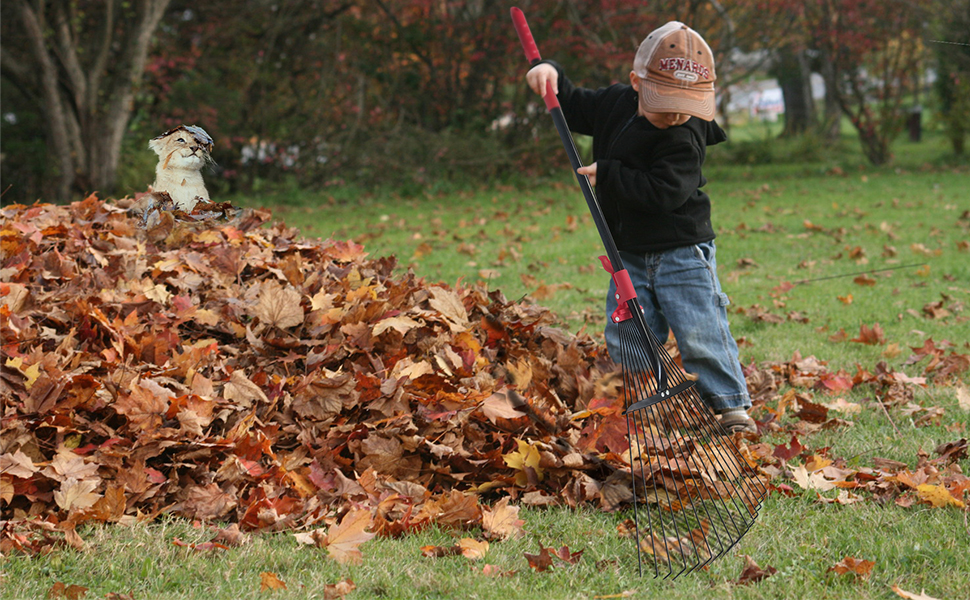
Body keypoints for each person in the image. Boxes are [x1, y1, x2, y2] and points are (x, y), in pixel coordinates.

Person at [525, 21, 755, 433]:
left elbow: (664, 192)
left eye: (686, 105)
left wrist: (610, 175)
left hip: (682, 251)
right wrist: (550, 73)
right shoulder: (615, 103)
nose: (675, 114)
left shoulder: (686, 134)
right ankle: (642, 403)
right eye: (664, 103)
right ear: (636, 82)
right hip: (627, 251)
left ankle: (729, 407)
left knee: (700, 328)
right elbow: (574, 105)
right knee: (629, 331)